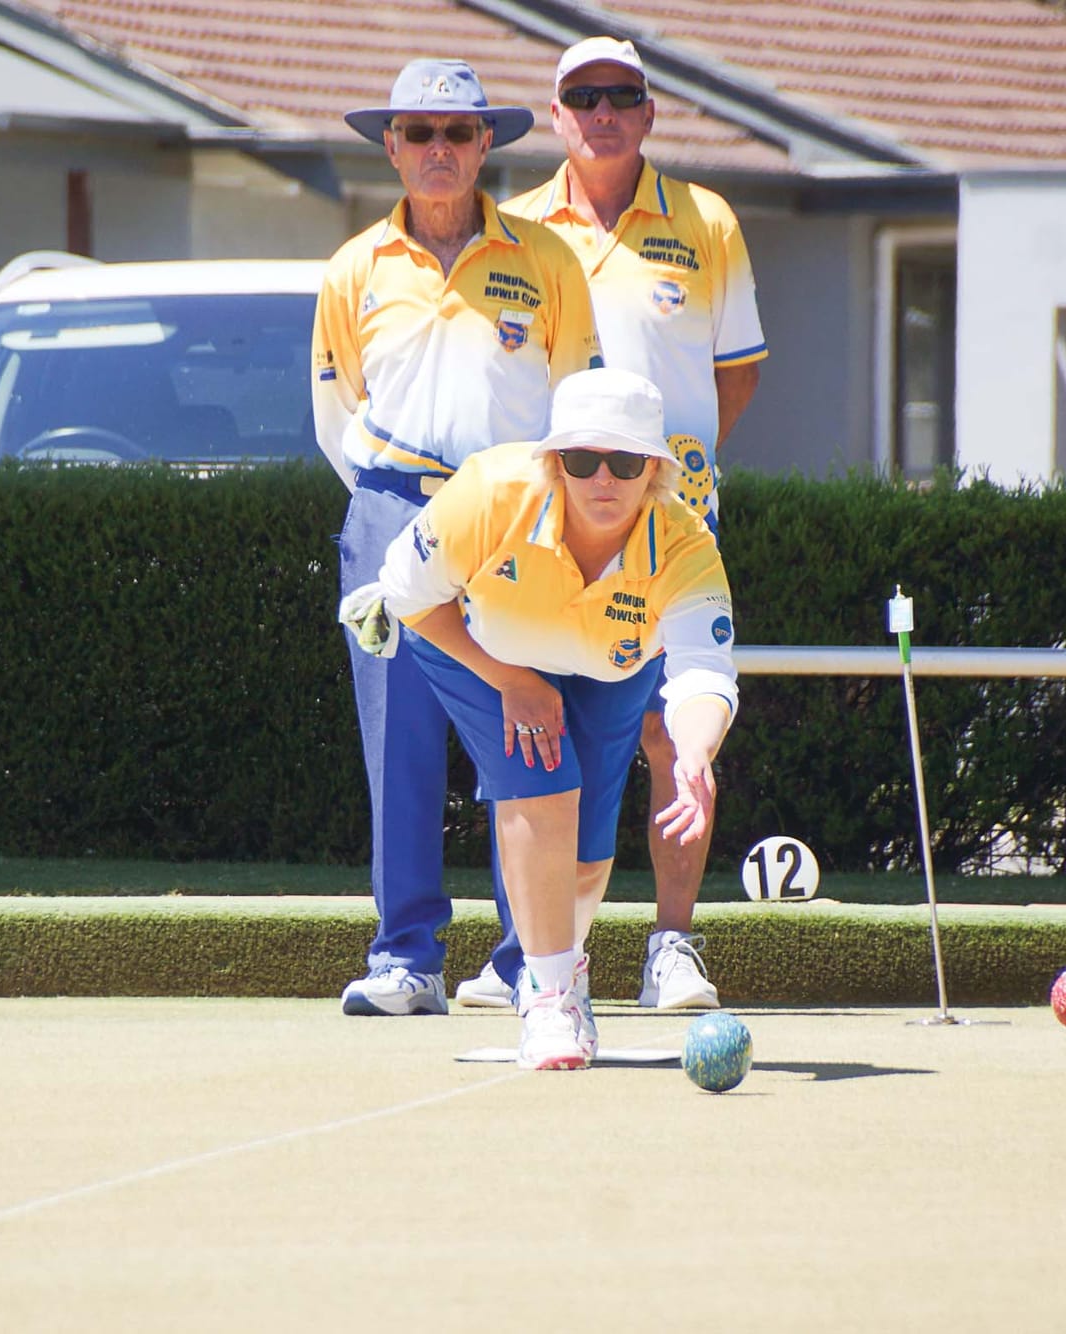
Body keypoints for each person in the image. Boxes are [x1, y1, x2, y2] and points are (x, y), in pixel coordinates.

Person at [464, 36, 765, 1012]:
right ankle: (535, 956)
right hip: (549, 531)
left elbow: (736, 375)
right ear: (554, 114)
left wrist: (647, 480)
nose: (600, 111)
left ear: (646, 111)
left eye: (618, 96)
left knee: (669, 736)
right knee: (543, 734)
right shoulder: (512, 224)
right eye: (580, 96)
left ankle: (670, 946)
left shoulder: (706, 221)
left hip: (669, 525)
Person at [314, 59, 600, 1016]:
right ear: (390, 146)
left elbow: (580, 406)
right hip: (393, 508)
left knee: (522, 727)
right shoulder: (355, 266)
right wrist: (399, 506)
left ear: (487, 146)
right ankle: (407, 956)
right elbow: (335, 414)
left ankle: (529, 961)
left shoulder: (548, 258)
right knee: (398, 741)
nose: (439, 150)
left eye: (458, 134)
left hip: (515, 518)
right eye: (419, 133)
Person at [352, 368, 739, 1067]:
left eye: (624, 462)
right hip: (476, 647)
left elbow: (702, 672)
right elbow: (408, 596)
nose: (603, 479)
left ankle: (552, 962)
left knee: (588, 857)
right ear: (554, 460)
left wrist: (694, 753)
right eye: (582, 459)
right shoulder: (487, 494)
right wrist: (509, 681)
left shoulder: (686, 543)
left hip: (612, 668)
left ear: (653, 470)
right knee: (545, 781)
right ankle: (551, 1000)